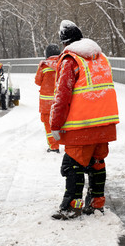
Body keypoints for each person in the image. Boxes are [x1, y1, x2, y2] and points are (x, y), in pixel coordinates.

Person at [50, 20, 119, 220]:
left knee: (72, 165)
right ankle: (97, 204)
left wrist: (55, 124)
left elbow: (62, 96)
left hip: (82, 126)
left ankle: (72, 205)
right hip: (105, 123)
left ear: (64, 43)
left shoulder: (70, 60)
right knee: (97, 163)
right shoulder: (100, 57)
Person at [34, 44, 61, 153]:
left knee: (48, 124)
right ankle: (69, 146)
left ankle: (54, 147)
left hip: (46, 102)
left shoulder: (43, 66)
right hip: (61, 100)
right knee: (64, 122)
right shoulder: (63, 63)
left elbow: (37, 81)